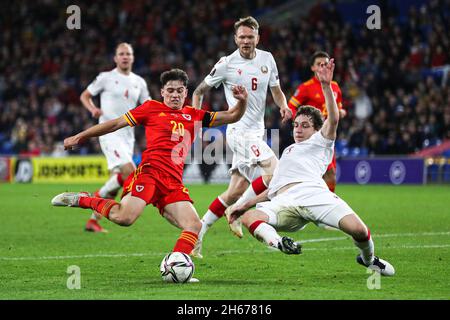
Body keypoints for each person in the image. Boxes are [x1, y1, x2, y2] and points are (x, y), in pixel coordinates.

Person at [51, 69, 248, 265]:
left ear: (186, 93)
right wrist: (81, 136)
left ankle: (175, 265)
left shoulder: (194, 114)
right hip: (150, 174)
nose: (175, 95)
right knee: (124, 218)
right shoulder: (151, 108)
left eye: (179, 91)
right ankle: (85, 199)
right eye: (170, 90)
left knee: (194, 225)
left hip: (173, 182)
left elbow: (232, 116)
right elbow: (115, 124)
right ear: (162, 92)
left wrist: (242, 101)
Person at [229, 59, 395, 276]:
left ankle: (369, 259)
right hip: (285, 202)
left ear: (317, 129)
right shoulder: (287, 151)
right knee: (250, 217)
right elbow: (274, 189)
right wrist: (244, 205)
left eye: (305, 126)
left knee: (359, 231)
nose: (298, 129)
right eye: (296, 125)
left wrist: (326, 86)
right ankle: (281, 243)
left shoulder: (321, 142)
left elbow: (333, 120)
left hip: (316, 195)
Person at [191, 16, 292, 257]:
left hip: (257, 131)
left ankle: (197, 235)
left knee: (235, 190)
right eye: (242, 37)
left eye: (250, 36)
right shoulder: (226, 63)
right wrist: (196, 124)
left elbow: (276, 90)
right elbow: (198, 91)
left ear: (258, 37)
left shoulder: (268, 59)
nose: (246, 41)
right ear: (235, 38)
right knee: (274, 169)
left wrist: (284, 106)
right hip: (238, 131)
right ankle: (238, 210)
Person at [79, 42, 150, 233]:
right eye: (121, 54)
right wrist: (93, 109)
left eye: (128, 53)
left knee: (116, 183)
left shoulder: (139, 82)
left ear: (133, 57)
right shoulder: (106, 77)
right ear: (115, 58)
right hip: (109, 133)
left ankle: (93, 218)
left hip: (128, 136)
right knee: (130, 171)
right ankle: (120, 204)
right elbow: (85, 95)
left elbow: (148, 106)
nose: (125, 56)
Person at [288, 51, 346, 193]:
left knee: (331, 174)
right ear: (312, 68)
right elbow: (290, 108)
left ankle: (328, 202)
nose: (322, 67)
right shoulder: (305, 87)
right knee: (306, 174)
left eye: (325, 64)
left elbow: (338, 108)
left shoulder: (335, 87)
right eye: (319, 64)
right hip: (310, 136)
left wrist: (341, 112)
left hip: (326, 135)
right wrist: (303, 124)